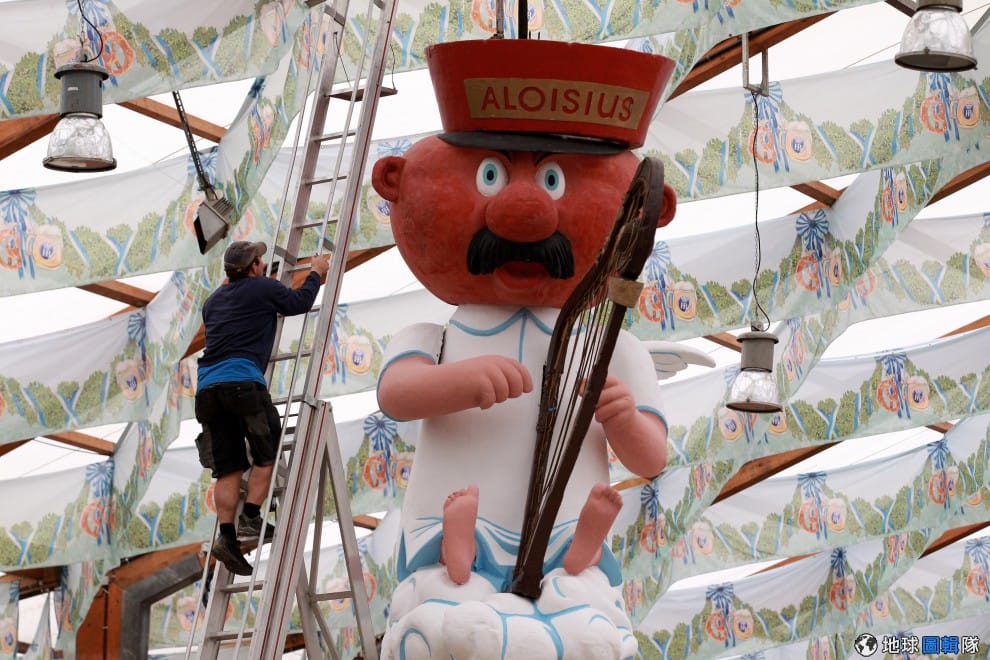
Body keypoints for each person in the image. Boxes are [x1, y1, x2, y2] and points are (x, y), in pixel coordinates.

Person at [194, 240, 330, 576]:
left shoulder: (212, 302)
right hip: (243, 384)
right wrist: (316, 273)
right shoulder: (262, 288)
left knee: (227, 470)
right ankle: (252, 516)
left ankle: (227, 537)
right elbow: (299, 302)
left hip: (208, 390)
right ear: (254, 266)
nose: (264, 264)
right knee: (267, 453)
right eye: (260, 260)